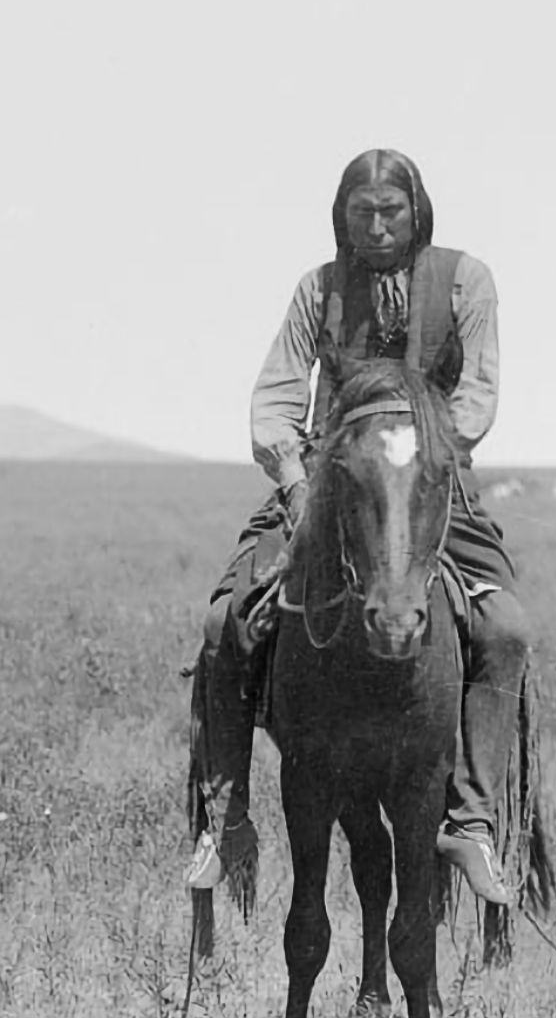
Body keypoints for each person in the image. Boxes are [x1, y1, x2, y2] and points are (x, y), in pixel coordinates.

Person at [185, 148, 528, 905]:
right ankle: (227, 818)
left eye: (391, 212)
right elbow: (275, 397)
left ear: (418, 211)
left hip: (428, 480)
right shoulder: (318, 290)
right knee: (225, 624)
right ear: (342, 217)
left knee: (503, 629)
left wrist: (427, 459)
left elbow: (477, 396)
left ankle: (469, 821)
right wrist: (297, 480)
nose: (376, 227)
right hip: (328, 482)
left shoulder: (467, 280)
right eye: (360, 213)